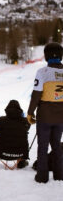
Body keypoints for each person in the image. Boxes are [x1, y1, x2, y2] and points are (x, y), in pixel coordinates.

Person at [27, 42, 63, 183]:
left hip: (45, 116)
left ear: (47, 56)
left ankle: (42, 176)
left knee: (42, 147)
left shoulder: (42, 72)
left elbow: (36, 95)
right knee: (56, 146)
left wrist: (30, 113)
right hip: (60, 117)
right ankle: (59, 175)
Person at [0, 100, 30, 168]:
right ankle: (21, 162)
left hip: (2, 152)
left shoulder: (0, 120)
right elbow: (26, 129)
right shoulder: (25, 121)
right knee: (22, 141)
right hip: (20, 153)